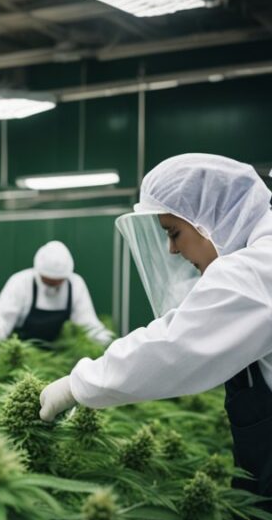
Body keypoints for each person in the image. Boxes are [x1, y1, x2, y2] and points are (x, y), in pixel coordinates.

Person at [39, 154, 272, 499]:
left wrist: (79, 385)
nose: (172, 249)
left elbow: (175, 345)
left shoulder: (255, 270)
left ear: (207, 220)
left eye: (174, 232)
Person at [0, 240, 114, 345]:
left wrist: (110, 344)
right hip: (21, 351)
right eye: (48, 281)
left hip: (57, 357)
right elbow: (2, 324)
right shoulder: (20, 283)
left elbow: (88, 324)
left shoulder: (75, 284)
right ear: (38, 272)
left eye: (58, 281)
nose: (54, 286)